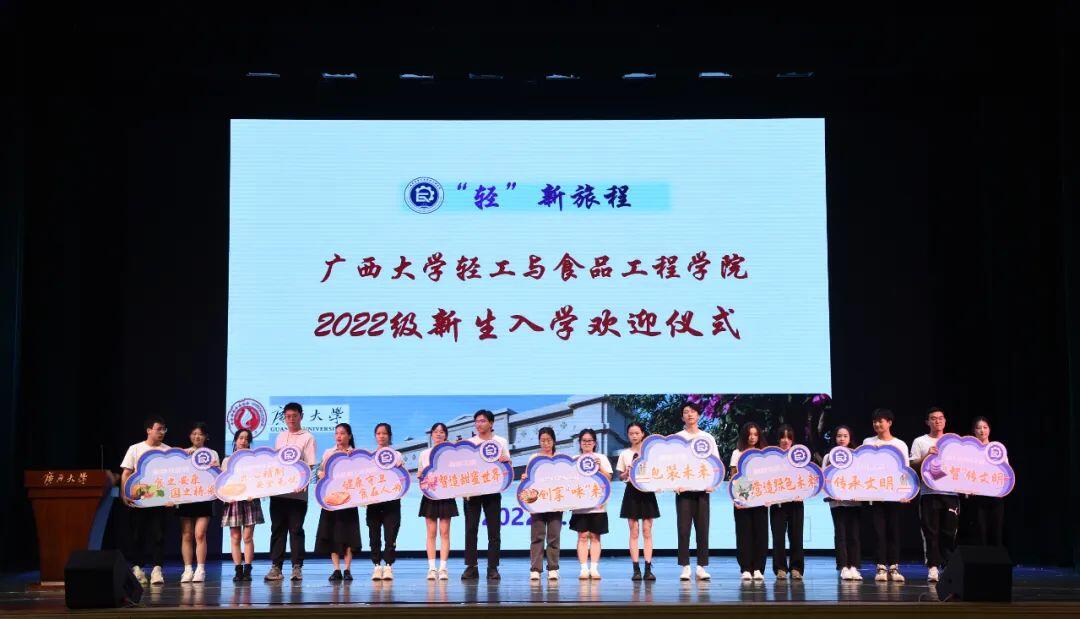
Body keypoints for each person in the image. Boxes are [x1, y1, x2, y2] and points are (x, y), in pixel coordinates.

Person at [265, 402, 317, 582]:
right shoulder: (280, 436)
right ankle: (276, 567)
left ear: (301, 416)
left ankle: (297, 567)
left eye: (295, 416)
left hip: (297, 493)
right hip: (279, 492)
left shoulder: (308, 437)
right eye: (288, 416)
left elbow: (310, 464)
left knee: (296, 530)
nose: (291, 419)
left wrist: (304, 482)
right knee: (277, 529)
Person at [909, 406, 959, 582]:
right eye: (933, 418)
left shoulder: (953, 442)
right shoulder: (920, 441)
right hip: (929, 493)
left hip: (951, 494)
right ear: (927, 422)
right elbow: (911, 466)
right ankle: (933, 567)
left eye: (940, 418)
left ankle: (948, 566)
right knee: (930, 532)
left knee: (949, 532)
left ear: (945, 421)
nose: (937, 421)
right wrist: (926, 456)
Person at [461, 409, 512, 582]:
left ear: (491, 423)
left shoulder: (500, 441)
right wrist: (464, 490)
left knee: (494, 530)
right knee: (471, 529)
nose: (479, 424)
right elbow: (464, 469)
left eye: (482, 421)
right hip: (473, 492)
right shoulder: (470, 443)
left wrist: (506, 459)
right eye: (476, 421)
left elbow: (507, 466)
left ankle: (492, 567)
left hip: (493, 490)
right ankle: (471, 566)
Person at [120, 417, 171, 586]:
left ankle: (157, 570)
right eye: (158, 429)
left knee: (159, 535)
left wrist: (172, 498)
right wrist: (124, 493)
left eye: (164, 429)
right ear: (149, 430)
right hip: (139, 500)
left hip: (159, 500)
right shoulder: (135, 449)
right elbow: (126, 473)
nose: (162, 432)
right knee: (137, 535)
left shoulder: (167, 451)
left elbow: (173, 478)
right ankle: (137, 568)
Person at [673, 402, 721, 581]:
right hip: (683, 491)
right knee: (683, 530)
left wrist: (713, 483)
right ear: (682, 417)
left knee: (702, 530)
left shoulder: (707, 437)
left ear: (699, 415)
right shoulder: (677, 438)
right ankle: (685, 567)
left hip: (702, 491)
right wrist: (674, 484)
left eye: (693, 411)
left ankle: (701, 567)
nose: (690, 414)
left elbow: (715, 463)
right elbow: (672, 464)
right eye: (686, 412)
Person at [862, 408, 909, 583]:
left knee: (893, 530)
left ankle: (894, 567)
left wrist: (906, 492)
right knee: (878, 531)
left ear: (889, 423)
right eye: (874, 421)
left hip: (895, 495)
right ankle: (881, 566)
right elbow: (862, 466)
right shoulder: (868, 442)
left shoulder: (900, 444)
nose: (877, 424)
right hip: (875, 494)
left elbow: (905, 471)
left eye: (880, 421)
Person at [315, 423, 362, 582]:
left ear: (349, 436)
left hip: (349, 500)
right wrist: (321, 474)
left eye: (342, 433)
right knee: (332, 534)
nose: (339, 436)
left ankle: (347, 569)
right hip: (331, 500)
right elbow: (320, 472)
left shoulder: (355, 454)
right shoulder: (329, 453)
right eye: (336, 433)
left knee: (349, 535)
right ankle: (336, 569)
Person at [617, 422, 660, 581]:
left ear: (642, 434)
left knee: (647, 531)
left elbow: (657, 472)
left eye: (637, 433)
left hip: (647, 492)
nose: (634, 436)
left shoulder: (650, 453)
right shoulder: (624, 454)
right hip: (631, 492)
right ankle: (636, 569)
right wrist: (627, 472)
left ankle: (648, 569)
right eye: (631, 433)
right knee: (633, 531)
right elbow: (621, 476)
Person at [178, 422, 220, 583]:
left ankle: (200, 569)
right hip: (186, 498)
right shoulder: (183, 453)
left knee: (200, 534)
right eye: (194, 433)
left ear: (205, 437)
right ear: (190, 436)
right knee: (187, 534)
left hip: (204, 498)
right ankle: (188, 569)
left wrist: (215, 468)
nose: (197, 436)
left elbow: (217, 476)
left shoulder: (212, 453)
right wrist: (184, 457)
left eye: (200, 434)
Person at [569, 428, 613, 580]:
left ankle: (594, 569)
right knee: (582, 536)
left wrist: (600, 467)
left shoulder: (601, 458)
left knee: (595, 536)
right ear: (580, 443)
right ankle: (583, 569)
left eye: (590, 441)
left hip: (598, 504)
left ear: (595, 443)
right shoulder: (574, 459)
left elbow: (609, 478)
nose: (587, 443)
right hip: (580, 505)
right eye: (584, 441)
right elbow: (569, 481)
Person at [220, 428, 263, 583]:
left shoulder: (255, 460)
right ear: (235, 440)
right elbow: (222, 483)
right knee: (235, 537)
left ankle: (248, 569)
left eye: (246, 439)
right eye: (241, 438)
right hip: (233, 502)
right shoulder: (227, 461)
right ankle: (238, 570)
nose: (243, 441)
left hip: (251, 501)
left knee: (248, 537)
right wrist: (226, 496)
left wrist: (255, 493)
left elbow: (260, 480)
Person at [418, 422, 458, 580]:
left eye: (442, 432)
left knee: (445, 533)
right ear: (431, 435)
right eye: (436, 431)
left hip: (446, 494)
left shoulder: (451, 452)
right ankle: (432, 568)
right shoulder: (424, 453)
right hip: (430, 495)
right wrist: (421, 474)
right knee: (431, 533)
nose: (439, 434)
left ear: (446, 435)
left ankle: (443, 568)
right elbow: (420, 474)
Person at [522, 426, 562, 581]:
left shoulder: (560, 458)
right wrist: (525, 477)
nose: (545, 443)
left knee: (554, 536)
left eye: (548, 440)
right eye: (542, 440)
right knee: (537, 536)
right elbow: (528, 479)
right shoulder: (534, 458)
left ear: (554, 441)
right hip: (537, 502)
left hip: (556, 502)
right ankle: (535, 569)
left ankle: (553, 568)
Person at [823, 425, 862, 580]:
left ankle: (854, 567)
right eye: (839, 436)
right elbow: (825, 479)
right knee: (840, 534)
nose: (842, 439)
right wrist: (833, 494)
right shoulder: (828, 457)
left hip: (854, 502)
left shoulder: (856, 456)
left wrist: (859, 494)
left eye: (845, 436)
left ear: (850, 438)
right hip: (836, 502)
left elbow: (862, 477)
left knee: (854, 534)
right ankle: (843, 567)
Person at [731, 421, 769, 581]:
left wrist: (769, 497)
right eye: (749, 434)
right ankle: (745, 568)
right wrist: (737, 498)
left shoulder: (764, 453)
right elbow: (734, 476)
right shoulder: (737, 453)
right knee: (743, 533)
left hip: (761, 498)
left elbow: (769, 477)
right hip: (743, 498)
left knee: (761, 534)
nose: (752, 437)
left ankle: (759, 568)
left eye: (755, 434)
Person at [960, 416, 1006, 546]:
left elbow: (1006, 472)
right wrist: (967, 489)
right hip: (977, 497)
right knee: (980, 533)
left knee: (996, 532)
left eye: (985, 427)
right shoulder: (969, 450)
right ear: (973, 431)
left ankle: (996, 558)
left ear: (989, 430)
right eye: (978, 428)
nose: (982, 430)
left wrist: (1003, 489)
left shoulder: (997, 449)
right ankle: (982, 558)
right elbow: (964, 472)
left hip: (995, 497)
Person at [367, 422, 403, 580]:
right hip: (374, 501)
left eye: (384, 433)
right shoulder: (369, 456)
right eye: (378, 433)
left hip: (392, 501)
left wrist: (400, 468)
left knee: (391, 534)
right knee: (374, 534)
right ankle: (376, 565)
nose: (381, 436)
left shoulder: (397, 455)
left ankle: (388, 566)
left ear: (389, 436)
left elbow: (402, 477)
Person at [769, 424, 805, 580]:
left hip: (796, 502)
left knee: (796, 536)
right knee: (778, 537)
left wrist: (803, 492)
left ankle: (796, 568)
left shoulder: (800, 457)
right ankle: (780, 568)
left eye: (788, 437)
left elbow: (807, 478)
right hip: (777, 503)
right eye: (782, 437)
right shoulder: (771, 458)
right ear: (778, 439)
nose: (785, 441)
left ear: (792, 440)